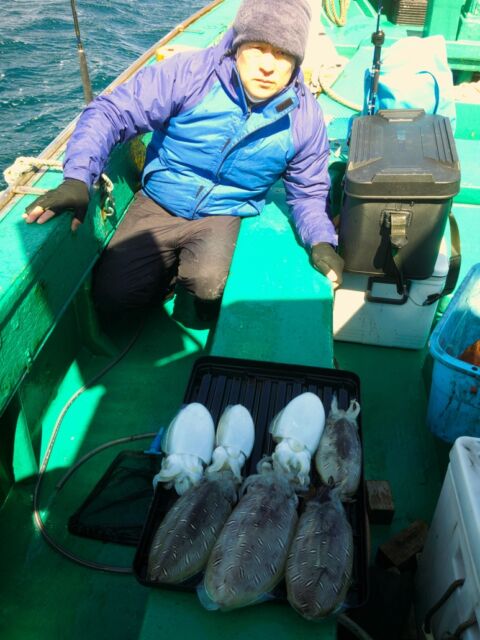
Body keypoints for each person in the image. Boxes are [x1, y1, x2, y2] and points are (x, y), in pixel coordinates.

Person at [23, 0, 344, 322]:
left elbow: (308, 192)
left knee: (207, 291)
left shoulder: (304, 117)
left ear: (296, 61)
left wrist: (321, 241)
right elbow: (111, 112)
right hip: (159, 200)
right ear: (238, 46)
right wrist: (77, 179)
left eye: (282, 53)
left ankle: (186, 297)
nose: (267, 66)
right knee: (112, 297)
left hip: (223, 212)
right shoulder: (190, 74)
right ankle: (160, 282)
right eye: (258, 48)